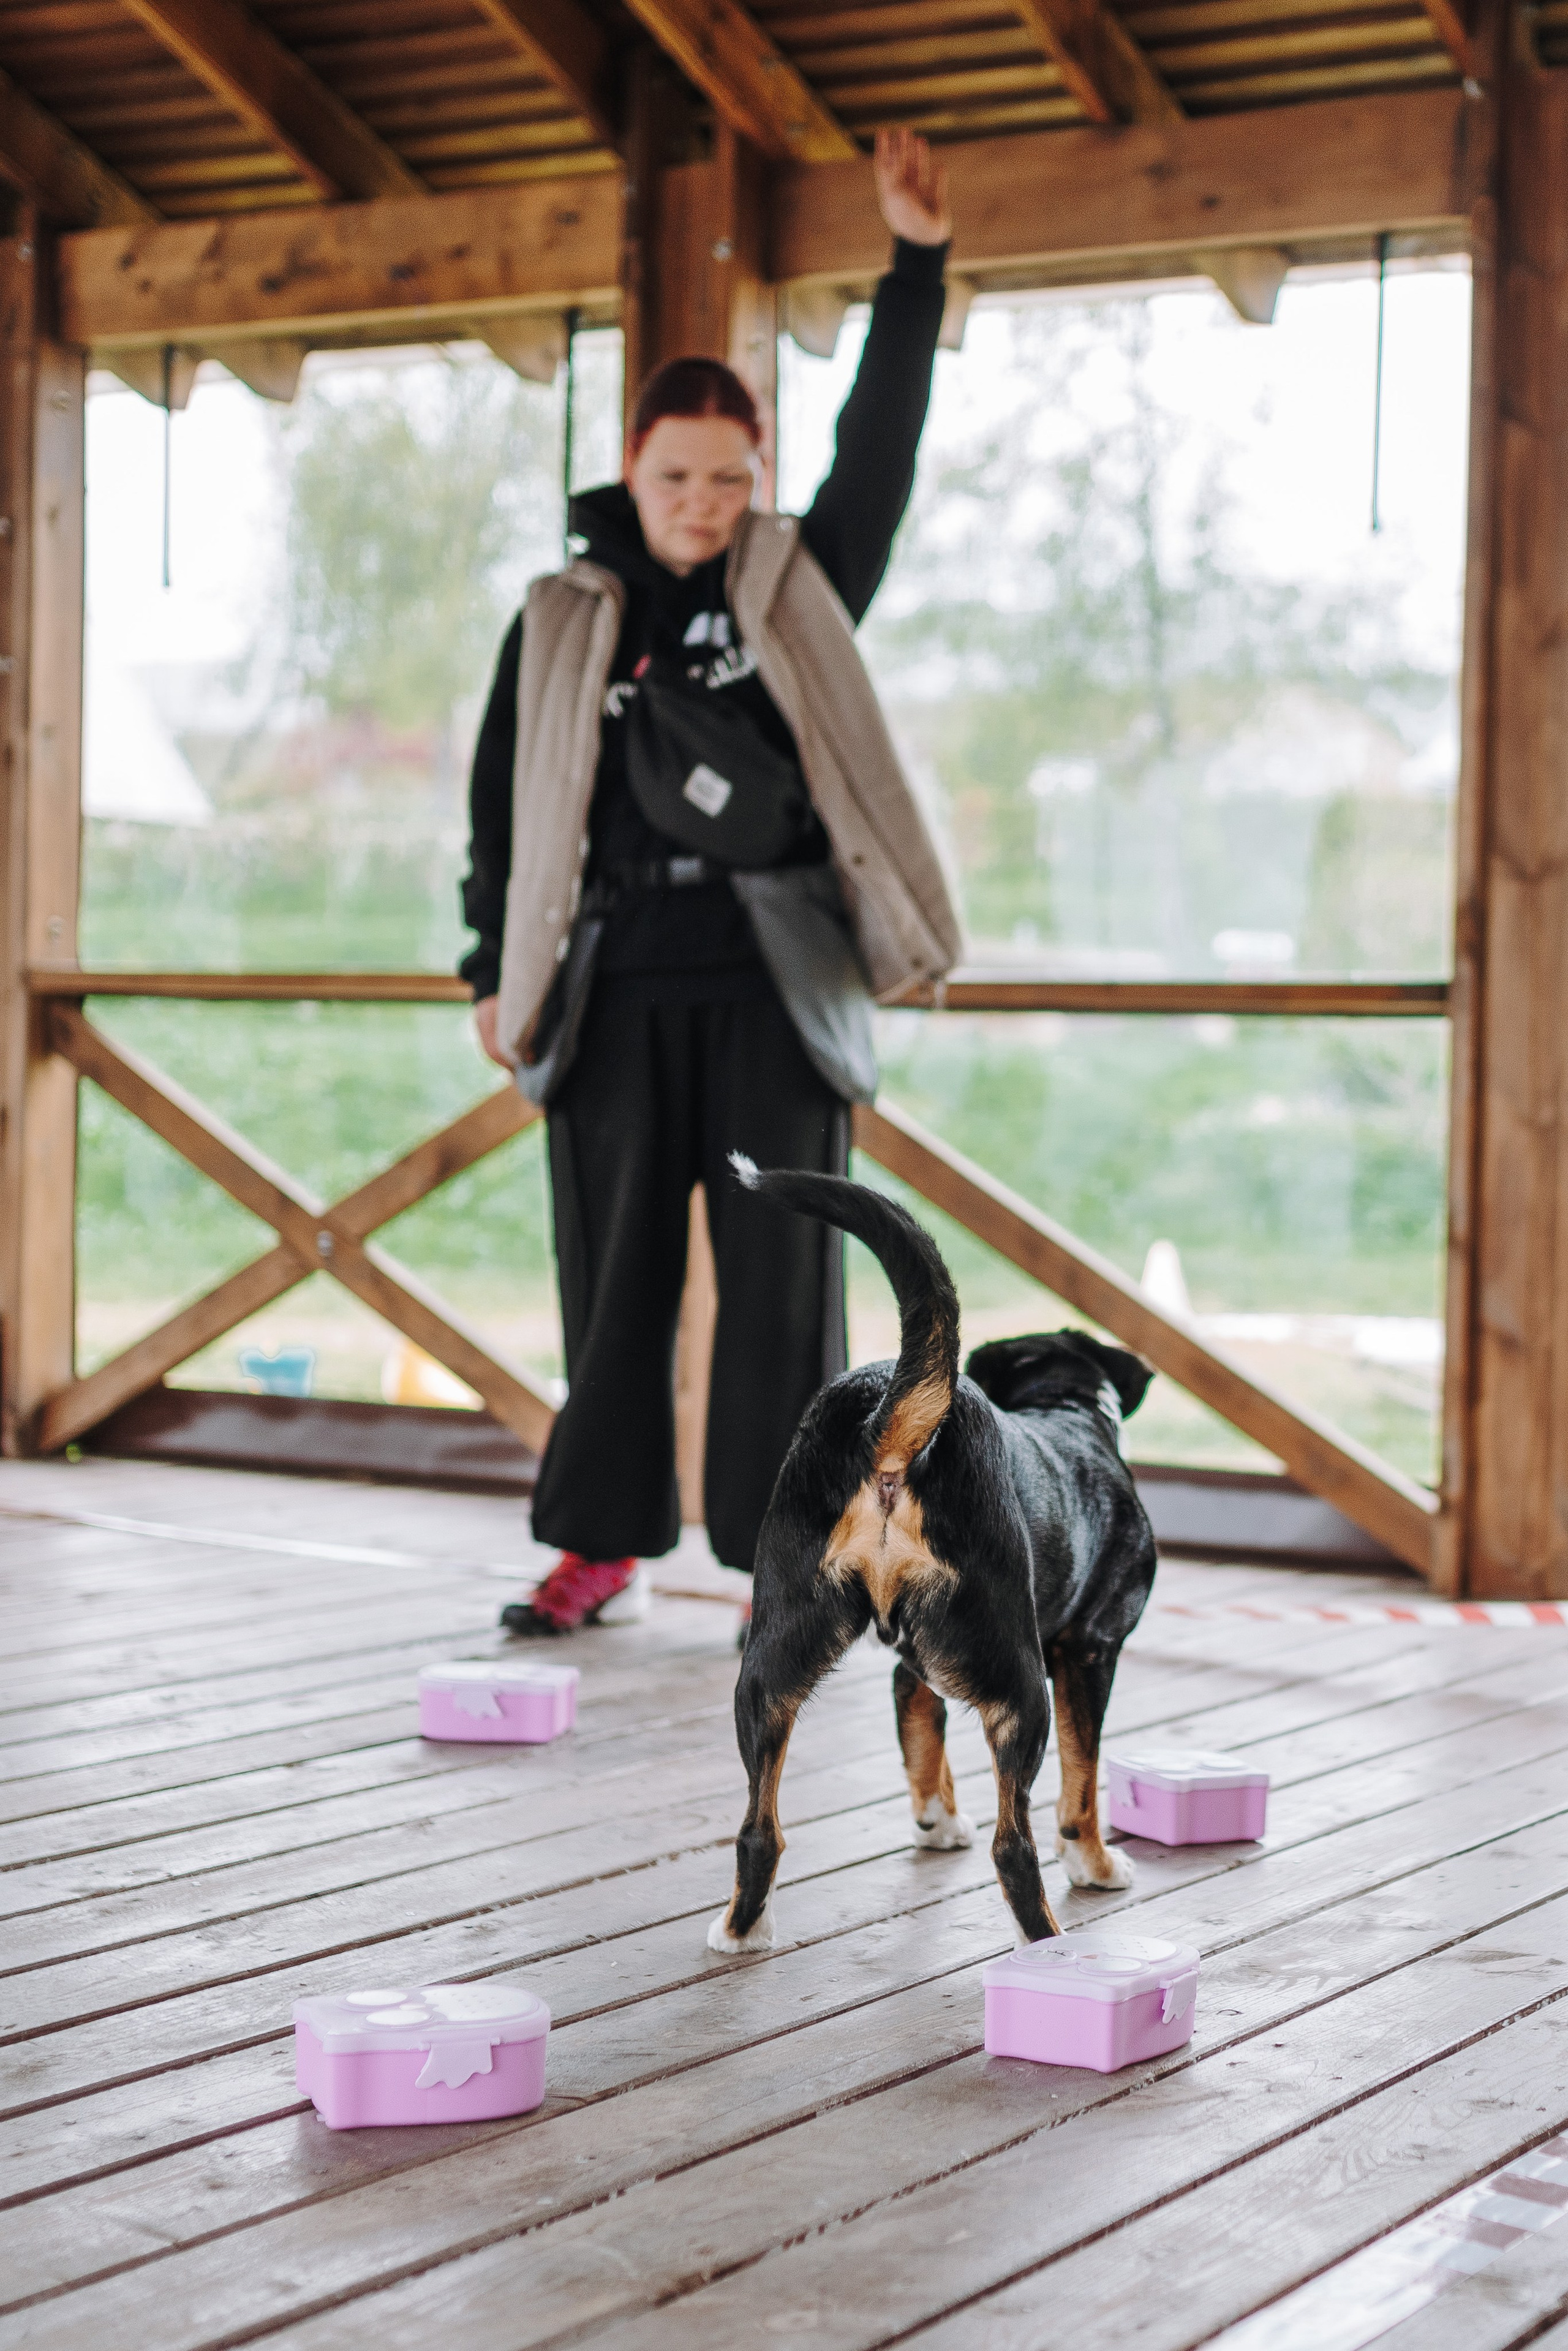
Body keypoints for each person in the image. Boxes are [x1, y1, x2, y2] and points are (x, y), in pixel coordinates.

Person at [460, 127, 962, 1633]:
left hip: (768, 983)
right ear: (630, 468)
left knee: (782, 1286)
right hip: (611, 987)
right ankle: (597, 1541)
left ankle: (786, 1559)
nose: (701, 499)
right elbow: (497, 807)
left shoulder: (798, 586)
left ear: (754, 478)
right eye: (676, 474)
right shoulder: (560, 615)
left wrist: (914, 265)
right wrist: (492, 962)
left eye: (730, 475)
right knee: (610, 1288)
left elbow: (877, 445)